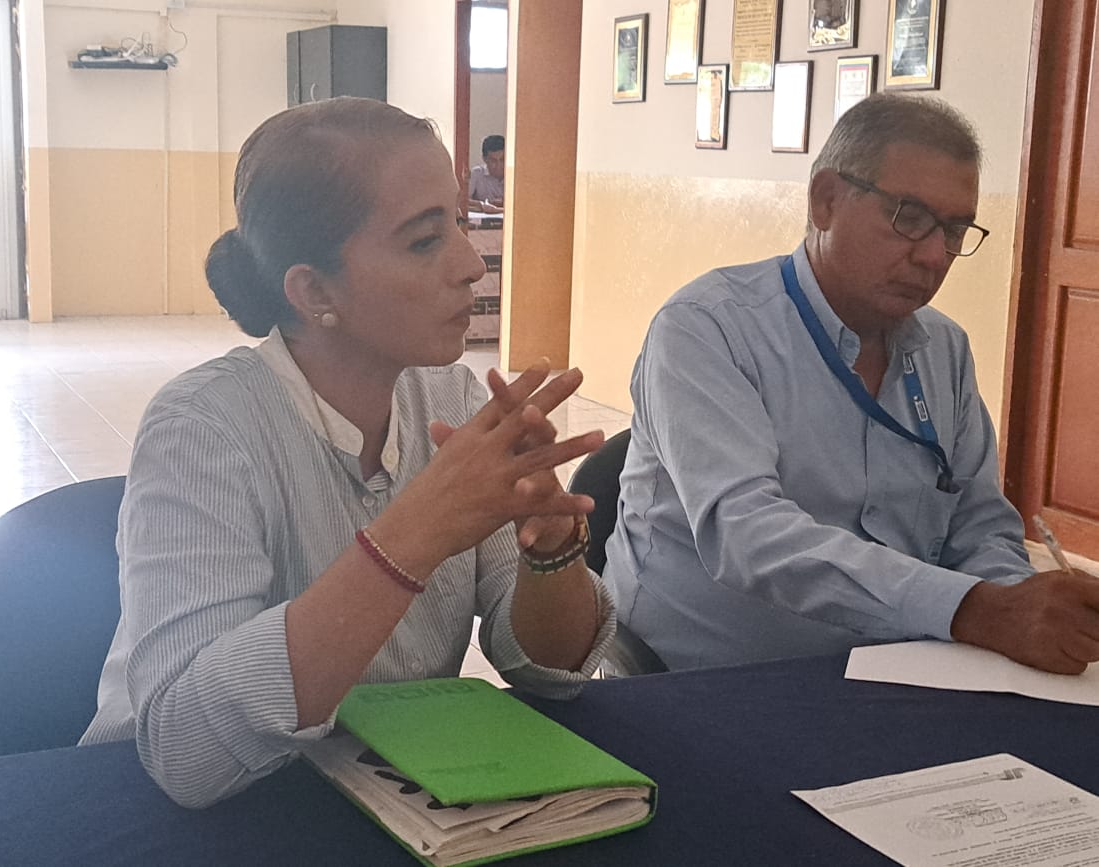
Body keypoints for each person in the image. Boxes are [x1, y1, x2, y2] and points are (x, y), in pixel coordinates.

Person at [80, 97, 614, 809]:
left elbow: (547, 671)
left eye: (460, 222)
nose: (469, 264)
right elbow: (186, 753)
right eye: (424, 240)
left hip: (382, 796)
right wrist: (417, 531)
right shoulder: (203, 428)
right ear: (313, 290)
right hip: (172, 816)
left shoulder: (454, 401)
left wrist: (550, 548)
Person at [605, 93, 1099, 675]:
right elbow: (748, 537)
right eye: (909, 217)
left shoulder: (944, 349)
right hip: (707, 676)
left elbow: (981, 527)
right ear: (826, 201)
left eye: (954, 229)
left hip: (902, 667)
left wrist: (1026, 606)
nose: (934, 255)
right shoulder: (706, 329)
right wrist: (974, 610)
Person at [467, 133, 505, 214]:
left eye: (502, 160)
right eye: (493, 161)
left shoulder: (514, 175)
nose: (498, 165)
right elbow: (463, 201)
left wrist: (498, 208)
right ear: (485, 159)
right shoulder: (477, 173)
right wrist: (482, 205)